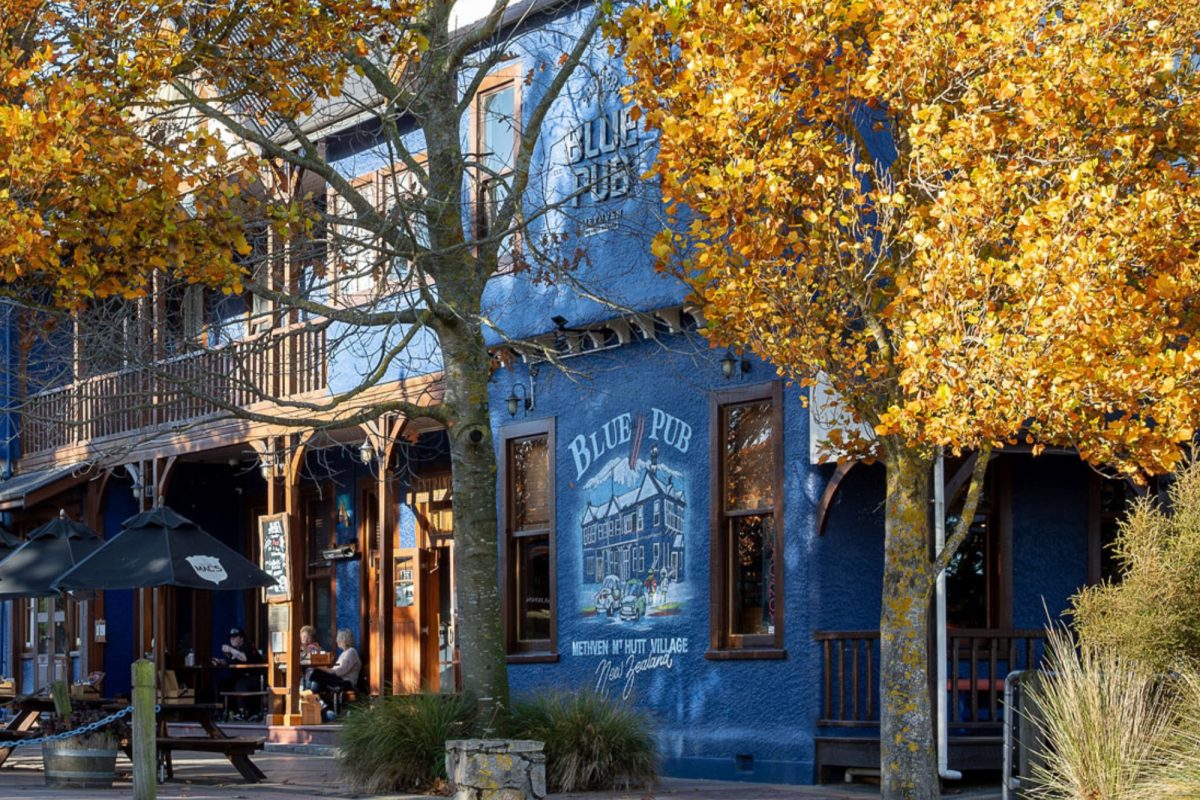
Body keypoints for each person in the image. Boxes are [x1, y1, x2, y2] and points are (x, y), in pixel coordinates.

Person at [305, 628, 361, 719]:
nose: (336, 641)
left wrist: (319, 667)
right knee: (317, 677)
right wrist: (323, 669)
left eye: (337, 639)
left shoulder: (351, 652)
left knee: (317, 673)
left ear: (342, 640)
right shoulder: (346, 652)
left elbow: (338, 671)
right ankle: (320, 705)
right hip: (341, 680)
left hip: (346, 683)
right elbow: (335, 670)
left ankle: (311, 697)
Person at [212, 626, 266, 719]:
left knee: (240, 684)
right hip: (241, 677)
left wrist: (230, 649)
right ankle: (223, 711)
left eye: (235, 637)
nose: (232, 639)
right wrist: (219, 661)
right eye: (230, 637)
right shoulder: (234, 650)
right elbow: (229, 661)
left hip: (255, 677)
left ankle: (244, 712)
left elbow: (244, 658)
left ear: (241, 638)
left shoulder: (247, 646)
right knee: (222, 684)